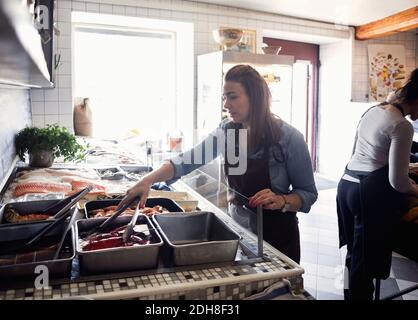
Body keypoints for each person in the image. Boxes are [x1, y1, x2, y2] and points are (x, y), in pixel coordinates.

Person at [119, 64, 317, 263]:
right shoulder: (228, 132)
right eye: (224, 97)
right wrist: (148, 180)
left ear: (255, 98)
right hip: (239, 229)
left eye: (232, 97)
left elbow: (308, 194)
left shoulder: (289, 138)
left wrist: (282, 200)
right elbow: (186, 162)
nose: (225, 105)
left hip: (278, 235)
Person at [336, 68, 418, 300]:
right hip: (367, 194)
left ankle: (349, 296)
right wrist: (416, 189)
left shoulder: (373, 110)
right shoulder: (402, 125)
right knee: (366, 265)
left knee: (354, 256)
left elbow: (359, 154)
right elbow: (398, 181)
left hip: (347, 187)